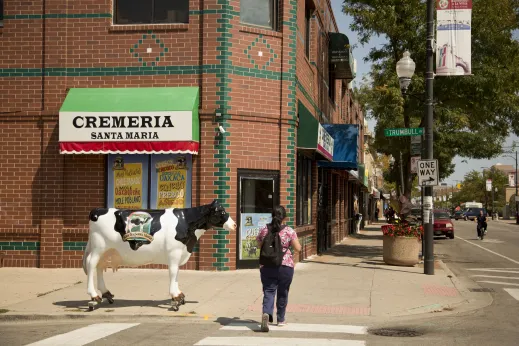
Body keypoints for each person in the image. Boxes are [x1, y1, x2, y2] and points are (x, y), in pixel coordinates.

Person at [256, 206, 301, 332]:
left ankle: (266, 313)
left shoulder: (264, 229)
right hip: (285, 266)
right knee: (283, 292)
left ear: (272, 216)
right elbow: (298, 248)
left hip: (267, 265)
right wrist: (294, 260)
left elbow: (258, 244)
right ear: (284, 217)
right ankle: (281, 319)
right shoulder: (289, 231)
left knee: (269, 291)